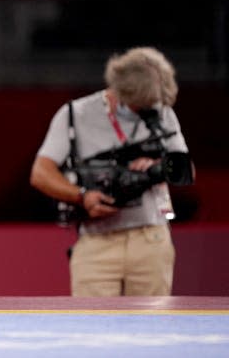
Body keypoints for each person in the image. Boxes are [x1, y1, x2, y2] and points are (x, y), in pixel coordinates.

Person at [30, 47, 193, 296]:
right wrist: (81, 195)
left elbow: (186, 171)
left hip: (150, 240)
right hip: (97, 242)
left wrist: (158, 167)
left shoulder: (161, 113)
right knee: (93, 330)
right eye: (138, 105)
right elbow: (41, 173)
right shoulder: (76, 115)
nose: (144, 111)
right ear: (119, 92)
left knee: (153, 331)